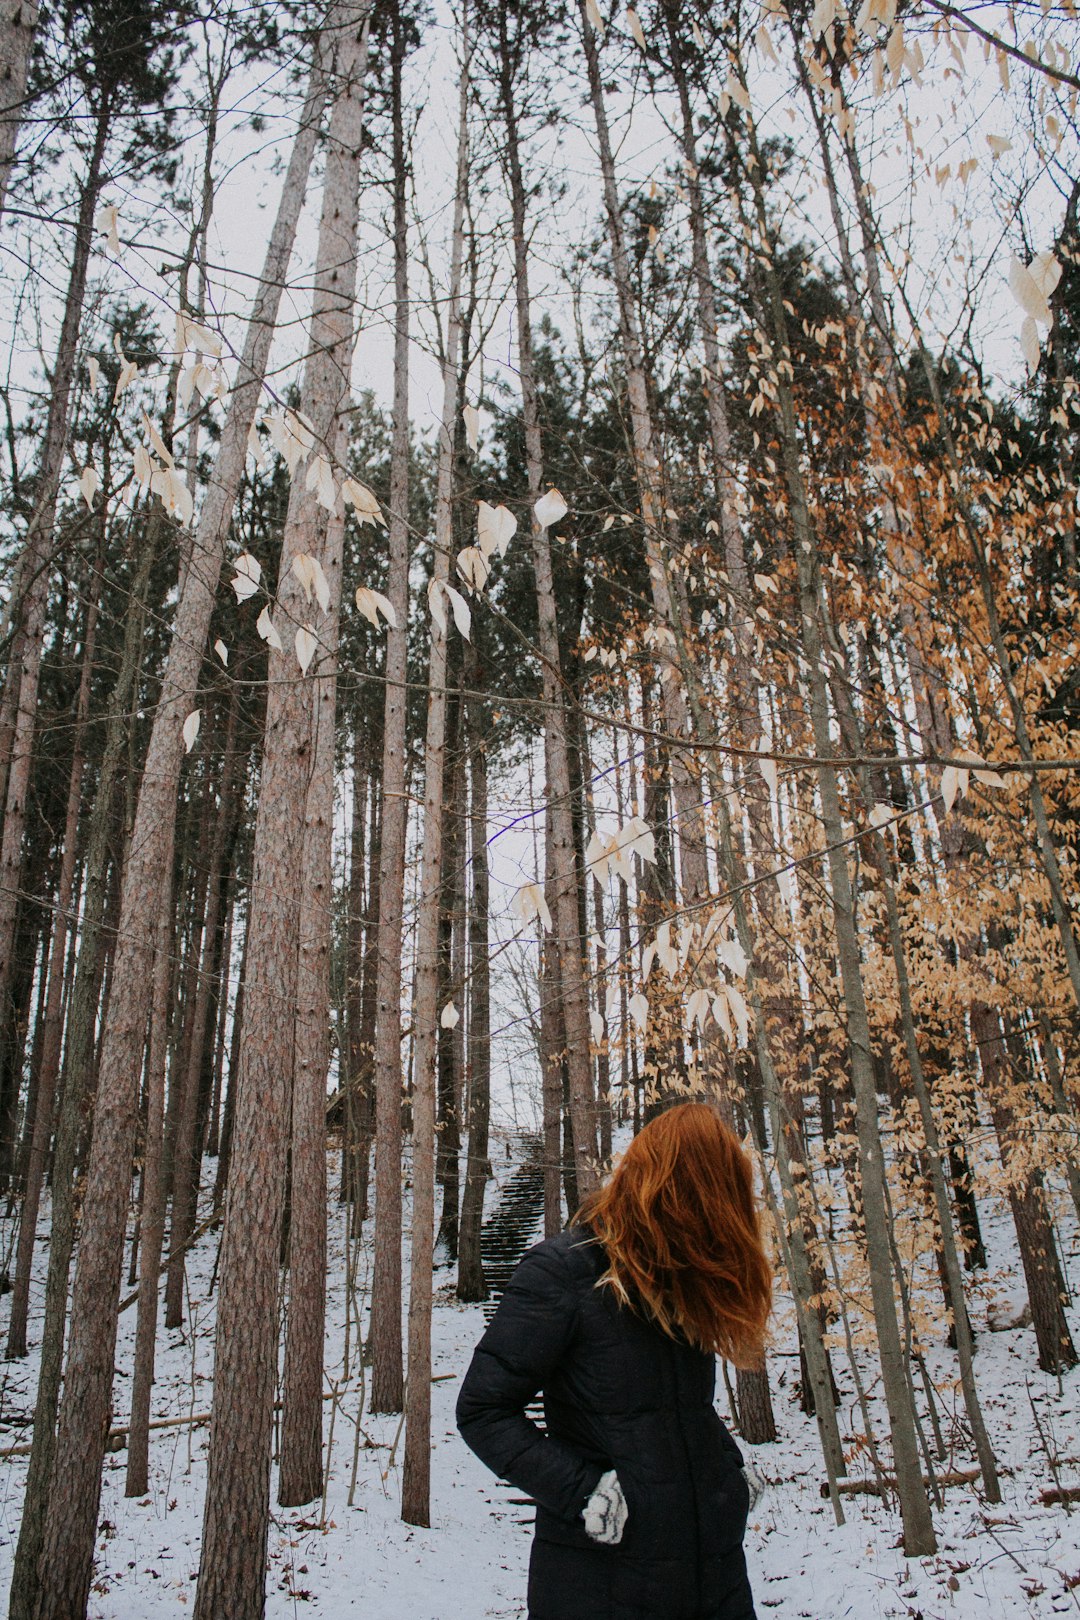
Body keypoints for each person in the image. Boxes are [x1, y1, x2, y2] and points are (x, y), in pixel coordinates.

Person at [456, 1101, 773, 1620]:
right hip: (601, 1578)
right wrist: (585, 1492)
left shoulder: (681, 1271)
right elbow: (483, 1411)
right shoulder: (563, 1272)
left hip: (711, 1571)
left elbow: (680, 1406)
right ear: (669, 1187)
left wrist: (727, 1469)